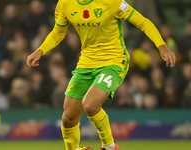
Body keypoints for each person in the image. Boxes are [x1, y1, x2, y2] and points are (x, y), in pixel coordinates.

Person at [26, 0, 176, 150]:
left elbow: (143, 22)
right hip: (86, 63)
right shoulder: (65, 4)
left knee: (90, 105)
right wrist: (40, 50)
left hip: (113, 61)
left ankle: (110, 146)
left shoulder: (112, 2)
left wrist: (162, 47)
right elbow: (58, 32)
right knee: (68, 118)